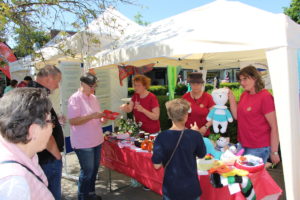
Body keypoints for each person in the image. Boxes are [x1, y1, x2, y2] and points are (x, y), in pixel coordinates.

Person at [0, 88, 54, 200]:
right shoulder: (13, 184)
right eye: (50, 121)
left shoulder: (18, 152)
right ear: (33, 130)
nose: (52, 126)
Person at [152, 98, 206, 200]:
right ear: (186, 116)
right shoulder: (195, 135)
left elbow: (156, 165)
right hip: (191, 189)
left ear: (169, 116)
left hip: (171, 189)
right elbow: (202, 155)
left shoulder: (161, 137)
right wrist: (196, 133)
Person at [228, 65, 280, 165]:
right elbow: (237, 116)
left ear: (255, 78)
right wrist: (231, 98)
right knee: (243, 178)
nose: (242, 83)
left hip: (259, 147)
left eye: (245, 79)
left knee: (252, 179)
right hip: (243, 145)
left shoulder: (265, 97)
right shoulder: (245, 94)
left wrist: (274, 151)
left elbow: (274, 126)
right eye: (240, 80)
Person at [67, 72, 106, 200]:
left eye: (95, 86)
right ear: (83, 84)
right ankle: (83, 196)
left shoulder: (94, 98)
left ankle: (91, 193)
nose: (93, 89)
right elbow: (73, 121)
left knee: (94, 170)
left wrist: (102, 119)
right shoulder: (75, 98)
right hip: (83, 143)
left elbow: (97, 117)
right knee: (87, 171)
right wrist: (92, 116)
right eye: (91, 86)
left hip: (97, 139)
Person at [28, 65, 64, 200]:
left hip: (41, 157)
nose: (58, 86)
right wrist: (57, 156)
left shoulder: (32, 93)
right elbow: (43, 131)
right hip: (47, 158)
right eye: (58, 81)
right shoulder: (38, 97)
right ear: (49, 78)